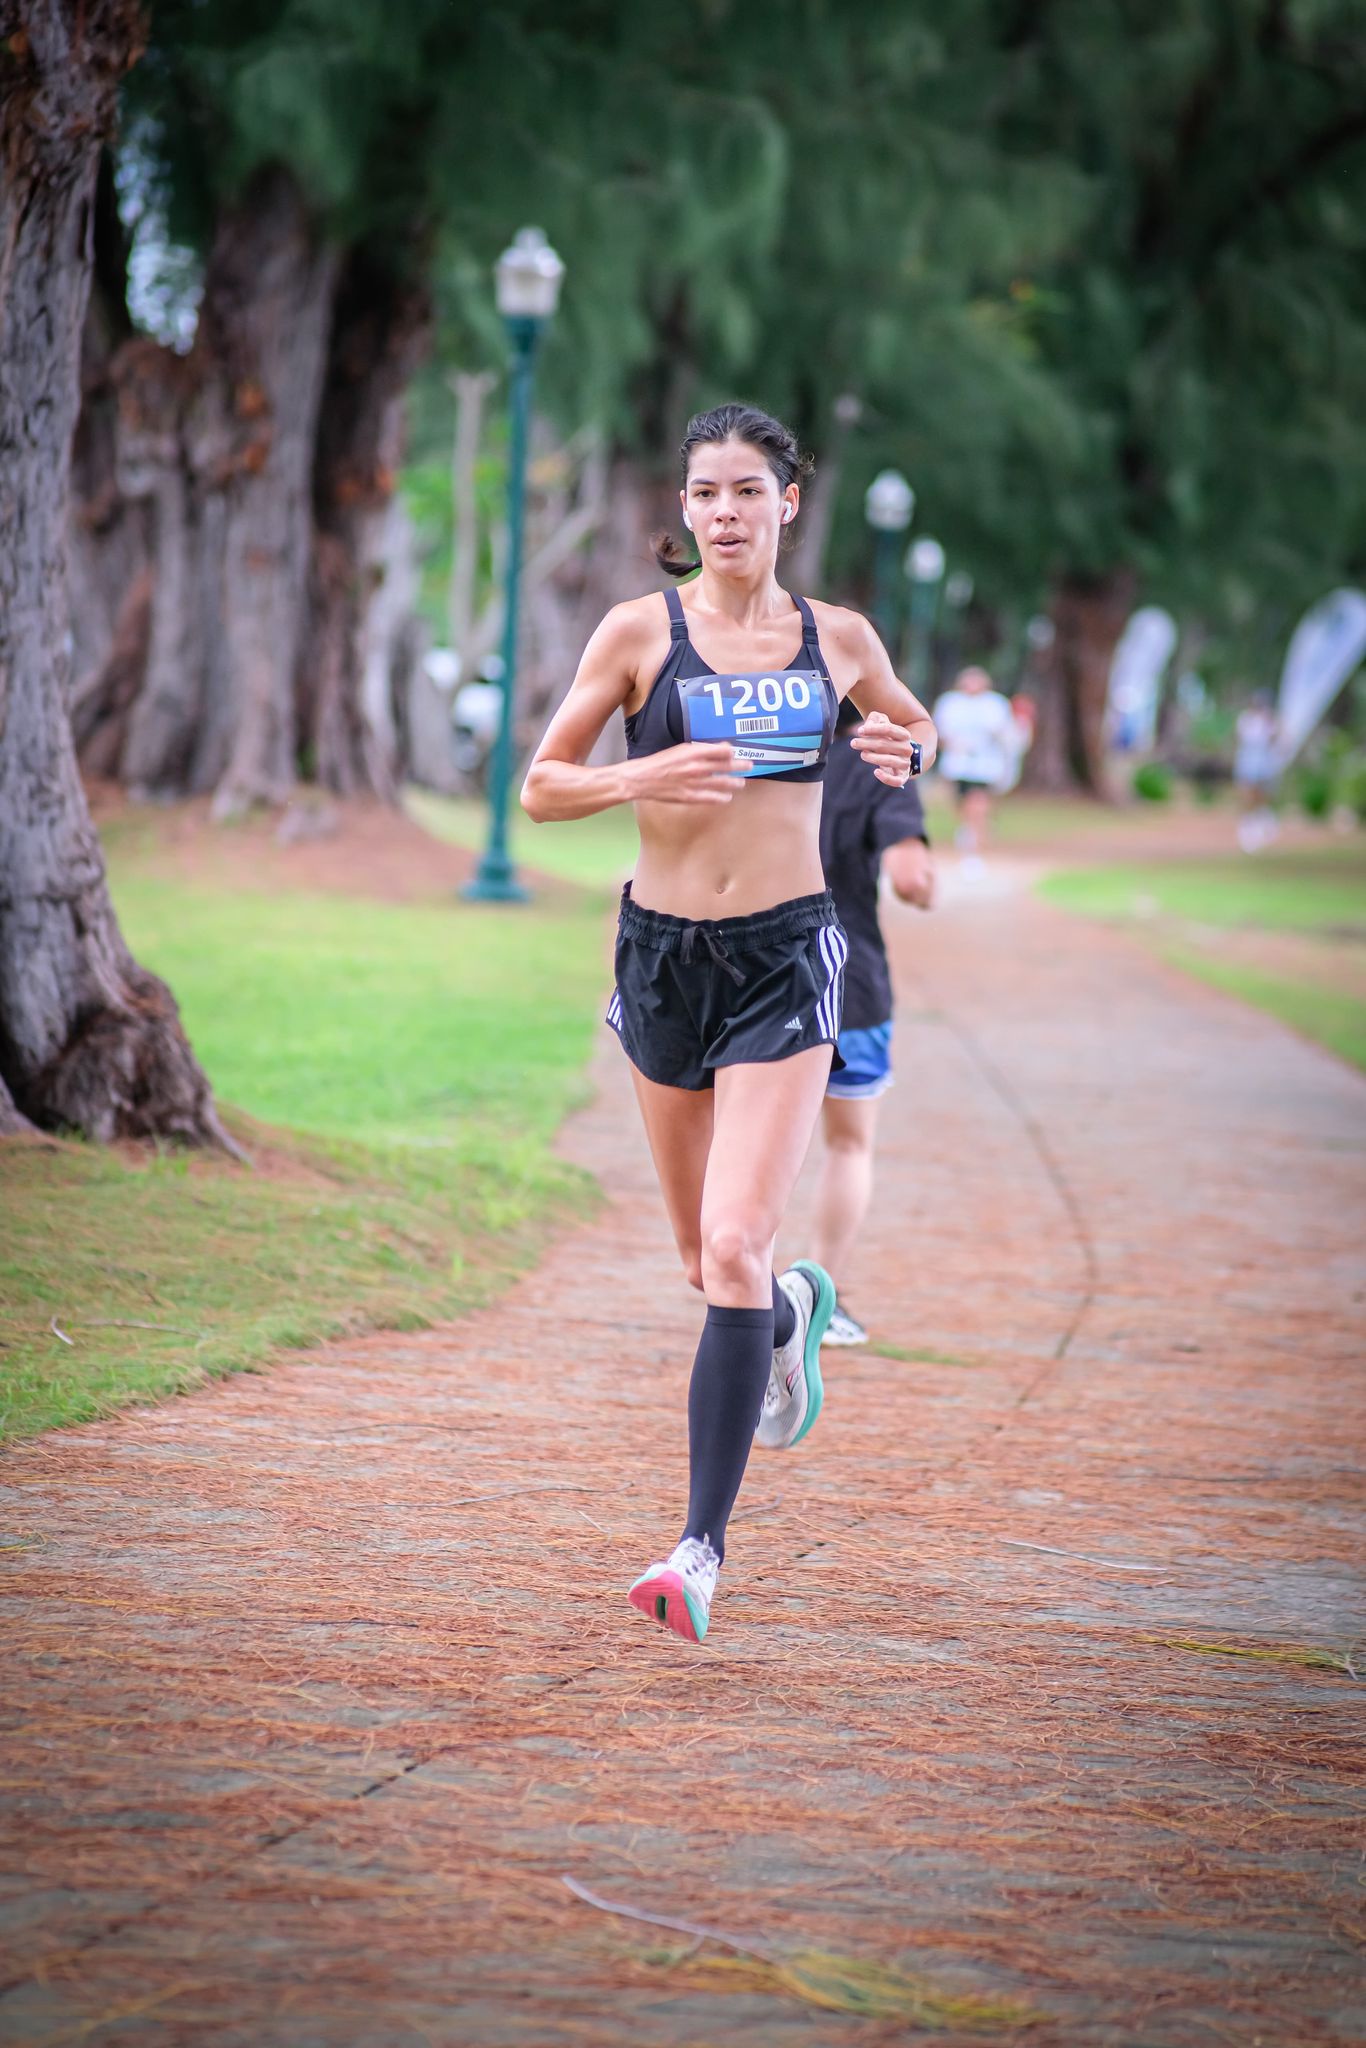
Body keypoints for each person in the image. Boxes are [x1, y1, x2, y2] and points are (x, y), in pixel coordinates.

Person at [520, 403, 936, 1644]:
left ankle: (698, 1548)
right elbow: (542, 785)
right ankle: (792, 1312)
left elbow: (913, 725)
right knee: (706, 1264)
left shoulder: (838, 637)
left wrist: (902, 751)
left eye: (748, 491)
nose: (724, 513)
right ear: (684, 508)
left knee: (738, 1241)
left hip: (788, 954)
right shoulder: (638, 633)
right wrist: (640, 773)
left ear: (788, 503)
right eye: (705, 493)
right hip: (661, 960)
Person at [811, 697, 934, 1347]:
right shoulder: (879, 761)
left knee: (748, 1142)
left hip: (748, 976)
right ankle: (822, 1298)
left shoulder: (756, 746)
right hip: (848, 981)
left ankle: (744, 1291)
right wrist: (927, 887)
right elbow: (910, 876)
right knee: (848, 1144)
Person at [932, 665, 1015, 868]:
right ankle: (969, 828)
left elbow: (1006, 734)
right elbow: (939, 733)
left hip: (984, 766)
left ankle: (974, 849)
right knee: (962, 804)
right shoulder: (950, 703)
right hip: (958, 765)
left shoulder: (995, 705)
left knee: (977, 803)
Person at [1233, 692, 1281, 852]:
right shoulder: (1246, 720)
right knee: (1247, 791)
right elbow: (1241, 738)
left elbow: (1275, 738)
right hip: (1249, 758)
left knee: (1262, 793)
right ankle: (1248, 827)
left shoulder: (1268, 720)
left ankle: (1263, 820)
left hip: (1264, 759)